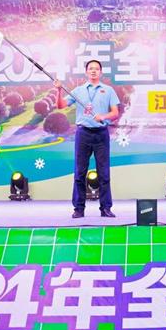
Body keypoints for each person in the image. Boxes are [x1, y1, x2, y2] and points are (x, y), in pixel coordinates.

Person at [54, 60, 120, 218]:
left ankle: (105, 208)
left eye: (96, 69)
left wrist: (103, 116)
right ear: (86, 72)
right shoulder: (78, 91)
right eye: (90, 68)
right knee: (79, 172)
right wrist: (58, 90)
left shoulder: (108, 90)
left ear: (101, 72)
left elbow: (115, 113)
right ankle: (78, 208)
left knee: (104, 173)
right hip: (83, 134)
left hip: (101, 134)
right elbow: (61, 105)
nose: (93, 71)